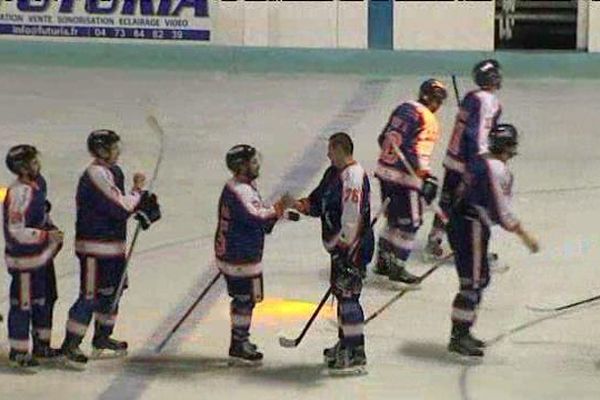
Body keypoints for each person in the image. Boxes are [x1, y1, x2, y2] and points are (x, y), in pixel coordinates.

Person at [61, 129, 161, 368]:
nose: (118, 151)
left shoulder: (113, 171)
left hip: (114, 247)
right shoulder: (95, 175)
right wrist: (138, 193)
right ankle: (70, 344)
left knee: (112, 293)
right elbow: (120, 206)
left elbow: (123, 206)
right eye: (114, 147)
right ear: (102, 151)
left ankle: (102, 337)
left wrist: (142, 205)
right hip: (95, 248)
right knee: (90, 296)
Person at [446, 123, 539, 357]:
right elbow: (502, 210)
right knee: (473, 282)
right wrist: (524, 235)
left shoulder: (479, 160)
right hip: (472, 225)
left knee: (477, 278)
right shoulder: (497, 170)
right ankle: (459, 336)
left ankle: (461, 332)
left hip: (461, 223)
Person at [293, 132, 373, 373]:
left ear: (340, 149)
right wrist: (297, 205)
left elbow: (351, 219)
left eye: (331, 149)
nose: (328, 154)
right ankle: (346, 343)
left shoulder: (353, 177)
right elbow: (318, 202)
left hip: (352, 249)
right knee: (342, 295)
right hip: (340, 249)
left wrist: (345, 251)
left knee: (349, 297)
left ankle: (355, 352)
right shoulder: (333, 173)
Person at [214, 144, 294, 364]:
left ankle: (240, 341)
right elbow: (258, 219)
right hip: (240, 256)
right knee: (245, 298)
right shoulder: (241, 191)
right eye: (253, 162)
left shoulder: (237, 186)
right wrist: (278, 208)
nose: (257, 165)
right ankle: (239, 344)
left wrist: (276, 213)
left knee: (246, 298)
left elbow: (257, 215)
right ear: (241, 167)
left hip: (235, 251)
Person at [425, 59, 503, 261]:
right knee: (470, 206)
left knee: (447, 200)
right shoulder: (489, 102)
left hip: (453, 158)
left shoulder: (471, 97)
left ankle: (435, 240)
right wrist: (475, 167)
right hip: (469, 162)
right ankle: (467, 248)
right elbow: (477, 136)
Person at [374, 79, 448, 283]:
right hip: (404, 179)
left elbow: (383, 139)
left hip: (384, 171)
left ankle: (382, 261)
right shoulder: (428, 119)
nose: (438, 106)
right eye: (438, 101)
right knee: (411, 223)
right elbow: (416, 154)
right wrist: (424, 177)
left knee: (394, 219)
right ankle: (397, 267)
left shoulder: (402, 108)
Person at [3, 144, 64, 370]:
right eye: (33, 161)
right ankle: (19, 350)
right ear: (23, 167)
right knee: (24, 303)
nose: (38, 163)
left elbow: (40, 215)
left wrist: (50, 227)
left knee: (45, 299)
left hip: (40, 257)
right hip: (25, 261)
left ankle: (42, 345)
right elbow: (16, 231)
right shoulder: (18, 192)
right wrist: (45, 235)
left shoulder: (38, 184)